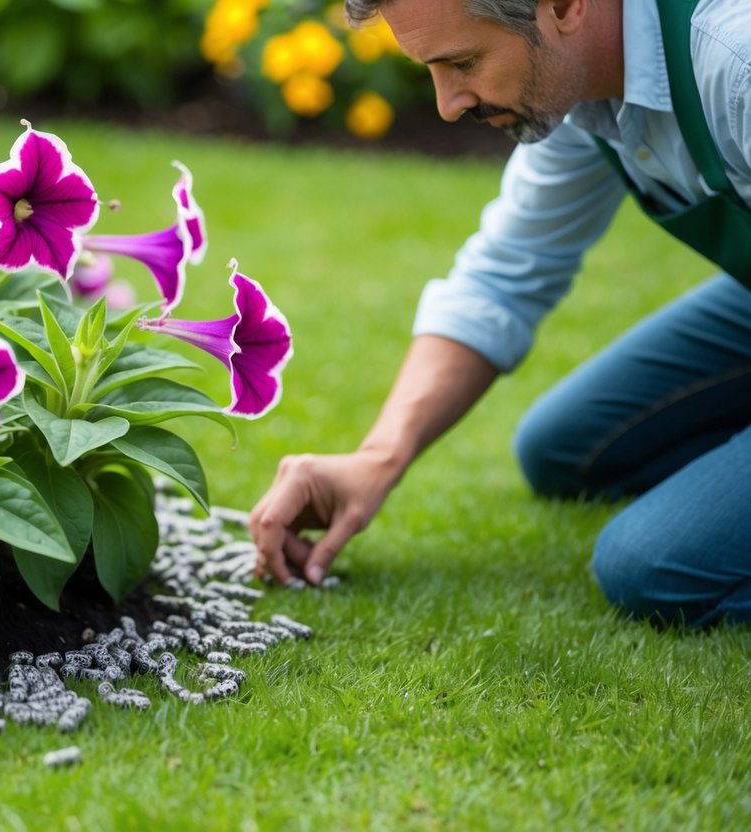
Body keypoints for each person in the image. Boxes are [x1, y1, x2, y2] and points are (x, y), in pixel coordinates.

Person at [249, 0, 751, 626]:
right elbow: (504, 276)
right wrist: (378, 456)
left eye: (463, 62)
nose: (448, 104)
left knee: (653, 566)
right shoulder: (580, 85)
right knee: (562, 448)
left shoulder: (736, 61)